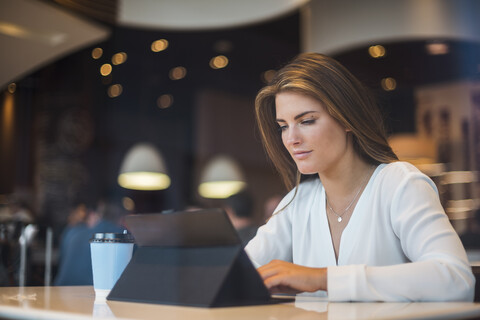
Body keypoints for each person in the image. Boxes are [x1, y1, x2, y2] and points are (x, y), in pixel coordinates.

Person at [245, 53, 475, 302]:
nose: (291, 139)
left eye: (307, 121)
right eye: (283, 126)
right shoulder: (297, 202)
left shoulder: (399, 184)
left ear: (346, 119)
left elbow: (455, 280)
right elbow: (239, 272)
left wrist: (324, 279)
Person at [54, 198, 127, 286]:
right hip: (92, 294)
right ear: (121, 219)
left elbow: (61, 261)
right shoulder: (123, 237)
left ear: (95, 215)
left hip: (59, 291)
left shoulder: (71, 231)